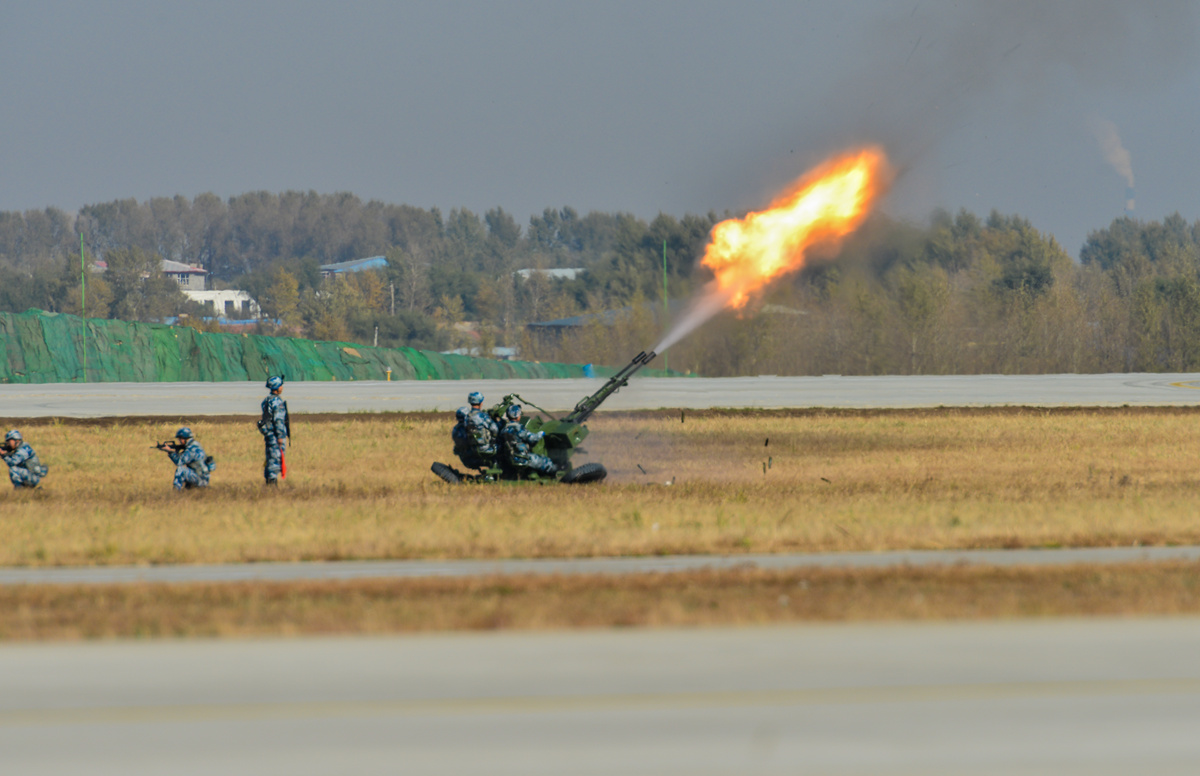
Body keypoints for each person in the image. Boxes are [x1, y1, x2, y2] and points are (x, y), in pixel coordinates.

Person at [497, 404, 558, 477]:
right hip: (523, 458)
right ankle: (554, 478)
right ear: (518, 416)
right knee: (547, 462)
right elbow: (532, 439)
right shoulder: (519, 428)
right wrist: (541, 434)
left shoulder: (504, 430)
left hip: (509, 459)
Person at [258, 375, 290, 484]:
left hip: (268, 434)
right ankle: (272, 485)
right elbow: (279, 420)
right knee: (275, 460)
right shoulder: (277, 402)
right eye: (281, 385)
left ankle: (269, 481)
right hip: (275, 435)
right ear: (277, 387)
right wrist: (281, 436)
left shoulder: (267, 400)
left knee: (270, 458)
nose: (282, 387)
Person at [465, 390, 499, 466]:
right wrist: (494, 439)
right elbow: (495, 429)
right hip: (486, 448)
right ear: (481, 402)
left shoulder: (467, 417)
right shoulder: (483, 416)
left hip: (473, 448)